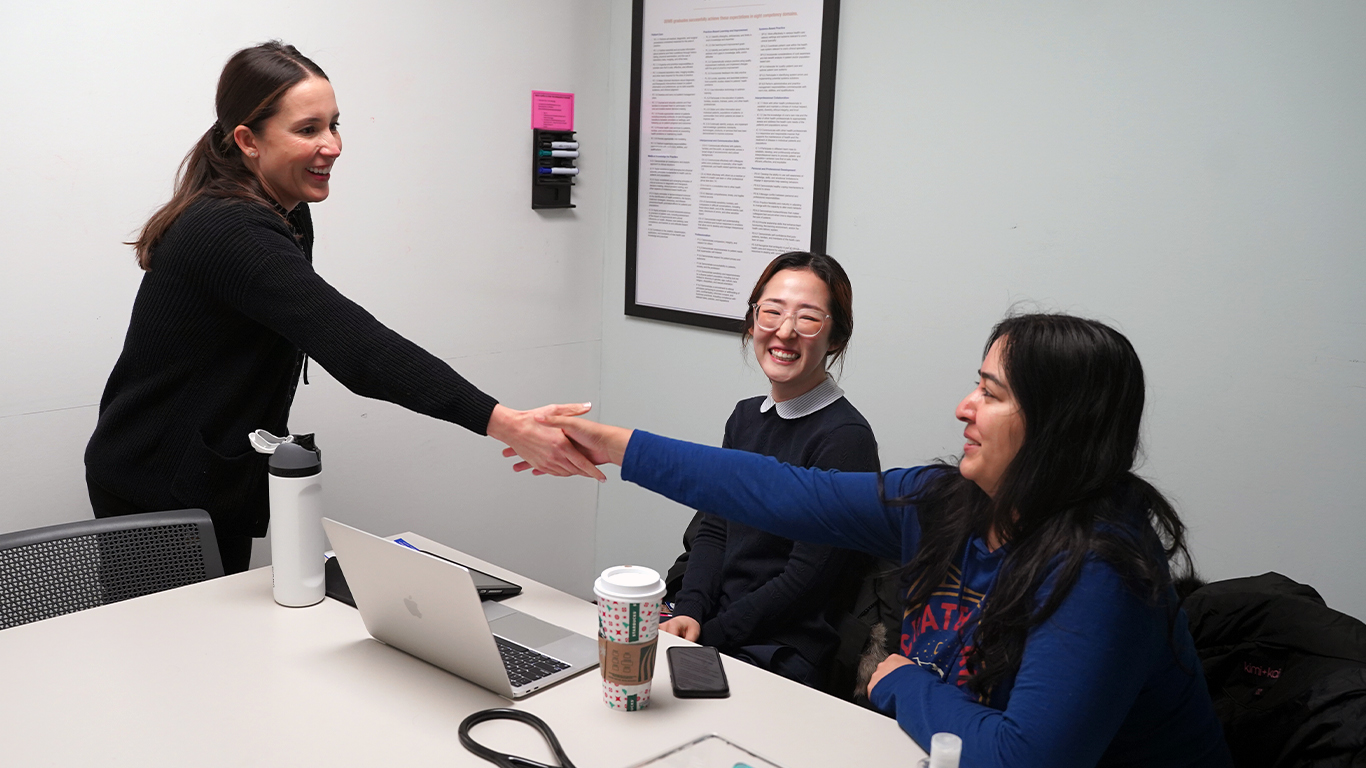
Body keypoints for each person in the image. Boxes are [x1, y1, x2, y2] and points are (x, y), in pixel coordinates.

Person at [522, 313, 1233, 768]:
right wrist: (615, 445)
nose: (964, 407)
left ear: (1057, 428)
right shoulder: (946, 501)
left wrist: (899, 680)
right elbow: (780, 490)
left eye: (992, 393)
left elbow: (1019, 758)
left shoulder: (1101, 571)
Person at [85, 42, 601, 575]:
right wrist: (503, 422)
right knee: (184, 627)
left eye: (334, 125)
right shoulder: (231, 228)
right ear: (247, 140)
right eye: (308, 129)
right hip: (157, 484)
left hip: (203, 471)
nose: (332, 146)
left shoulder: (283, 210)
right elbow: (356, 346)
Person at [660, 252, 880, 690]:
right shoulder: (745, 417)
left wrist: (710, 636)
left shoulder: (845, 438)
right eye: (772, 311)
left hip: (781, 646)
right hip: (716, 624)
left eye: (808, 318)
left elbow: (807, 580)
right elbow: (714, 528)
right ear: (753, 320)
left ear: (835, 338)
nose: (784, 331)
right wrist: (689, 611)